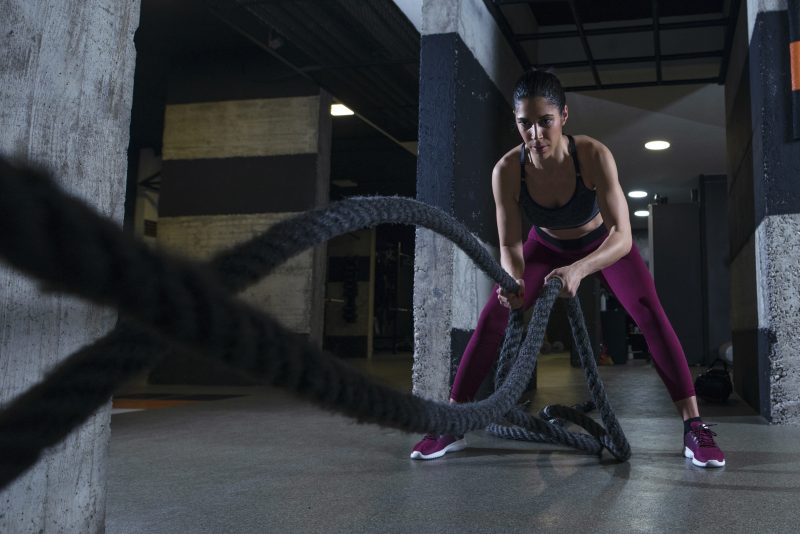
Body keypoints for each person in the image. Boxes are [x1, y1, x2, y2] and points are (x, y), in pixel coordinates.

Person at [409, 69, 725, 468]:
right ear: (516, 121)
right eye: (525, 123)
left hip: (602, 244)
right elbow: (509, 242)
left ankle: (694, 427)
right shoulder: (507, 170)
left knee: (650, 314)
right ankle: (451, 424)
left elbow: (623, 235)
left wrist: (578, 270)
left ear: (563, 117)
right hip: (544, 244)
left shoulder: (592, 155)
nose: (536, 134)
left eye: (545, 121)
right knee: (493, 315)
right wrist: (515, 278)